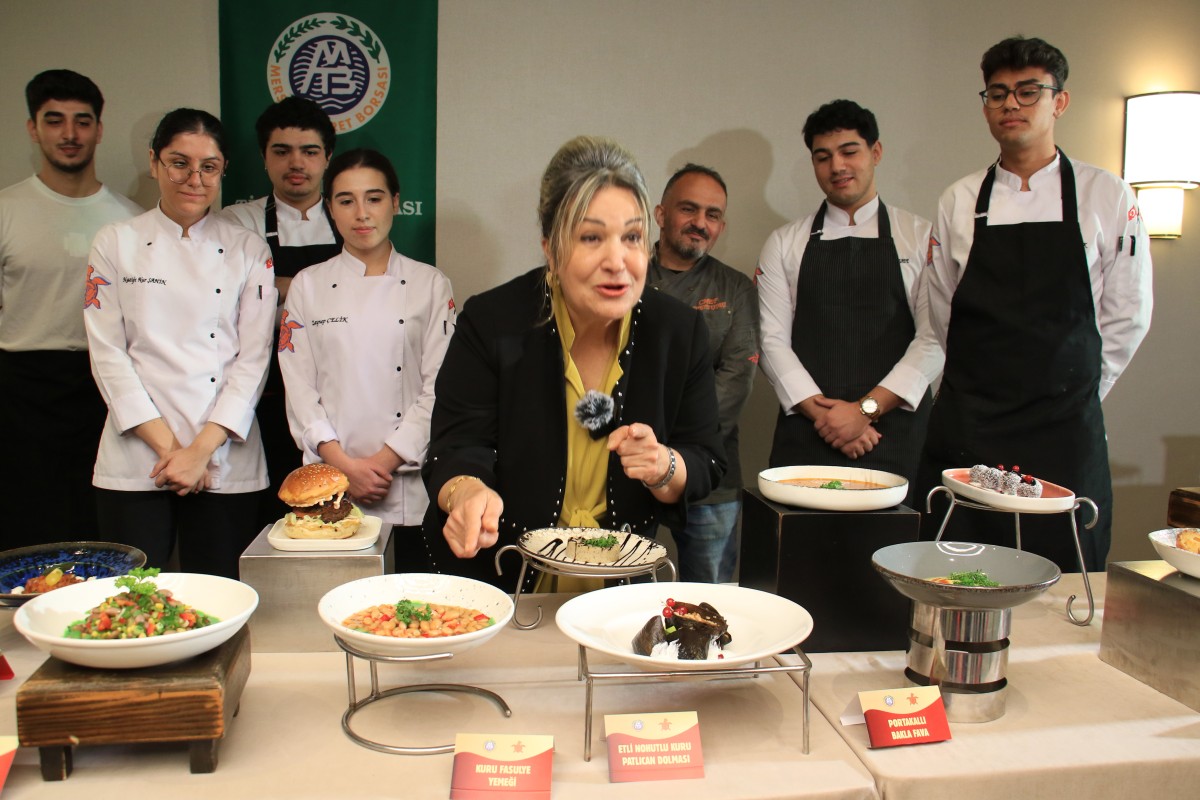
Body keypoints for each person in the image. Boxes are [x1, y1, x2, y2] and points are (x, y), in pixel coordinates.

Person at [421, 135, 725, 588]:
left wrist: (665, 466)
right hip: (503, 580)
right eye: (591, 237)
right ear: (550, 245)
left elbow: (706, 460)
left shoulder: (678, 331)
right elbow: (456, 446)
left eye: (632, 237)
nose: (617, 261)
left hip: (619, 592)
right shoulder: (492, 321)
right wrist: (467, 492)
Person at [917, 36, 1153, 572]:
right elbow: (943, 309)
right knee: (959, 570)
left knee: (1066, 573)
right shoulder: (959, 199)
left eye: (1028, 91)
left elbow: (1127, 313)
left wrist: (1081, 389)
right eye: (997, 94)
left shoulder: (1107, 195)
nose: (1011, 105)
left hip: (1064, 426)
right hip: (972, 423)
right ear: (985, 106)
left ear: (1059, 101)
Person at [84, 108, 277, 578]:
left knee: (221, 599)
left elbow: (253, 361)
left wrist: (200, 451)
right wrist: (175, 452)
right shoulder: (116, 242)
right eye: (179, 162)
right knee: (130, 603)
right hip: (136, 458)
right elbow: (108, 356)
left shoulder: (248, 249)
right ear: (154, 162)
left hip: (224, 457)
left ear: (223, 171)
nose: (194, 178)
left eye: (208, 167)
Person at [757, 100, 943, 502]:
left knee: (900, 558)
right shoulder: (785, 242)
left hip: (896, 433)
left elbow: (935, 338)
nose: (836, 166)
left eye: (849, 151)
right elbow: (771, 342)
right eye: (822, 157)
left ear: (876, 153)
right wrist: (827, 417)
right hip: (809, 433)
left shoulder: (920, 236)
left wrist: (863, 412)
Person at [278, 148, 454, 539]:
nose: (361, 213)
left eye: (373, 198)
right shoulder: (308, 285)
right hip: (330, 487)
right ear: (330, 209)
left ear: (394, 203)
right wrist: (343, 467)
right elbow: (299, 388)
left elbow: (439, 387)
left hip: (407, 482)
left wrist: (382, 462)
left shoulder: (430, 284)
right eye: (346, 200)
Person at [0, 69, 141, 545]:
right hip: (21, 390)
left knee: (101, 524)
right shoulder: (7, 210)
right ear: (32, 128)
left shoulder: (130, 220)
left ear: (98, 130)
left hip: (103, 387)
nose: (69, 134)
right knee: (26, 526)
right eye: (54, 120)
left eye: (82, 121)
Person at [221, 96, 341, 528]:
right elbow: (232, 300)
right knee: (270, 515)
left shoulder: (349, 217)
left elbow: (365, 295)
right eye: (282, 151)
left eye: (309, 151)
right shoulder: (237, 222)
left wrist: (276, 288)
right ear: (263, 158)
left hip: (336, 393)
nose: (297, 163)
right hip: (262, 394)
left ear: (327, 158)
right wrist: (321, 292)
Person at [647, 164, 758, 583]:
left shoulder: (736, 289)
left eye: (712, 215)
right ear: (660, 214)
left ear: (722, 225)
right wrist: (646, 452)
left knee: (708, 600)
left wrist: (675, 453)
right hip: (628, 470)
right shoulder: (625, 276)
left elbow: (736, 379)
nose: (699, 223)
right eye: (688, 210)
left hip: (713, 479)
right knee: (622, 595)